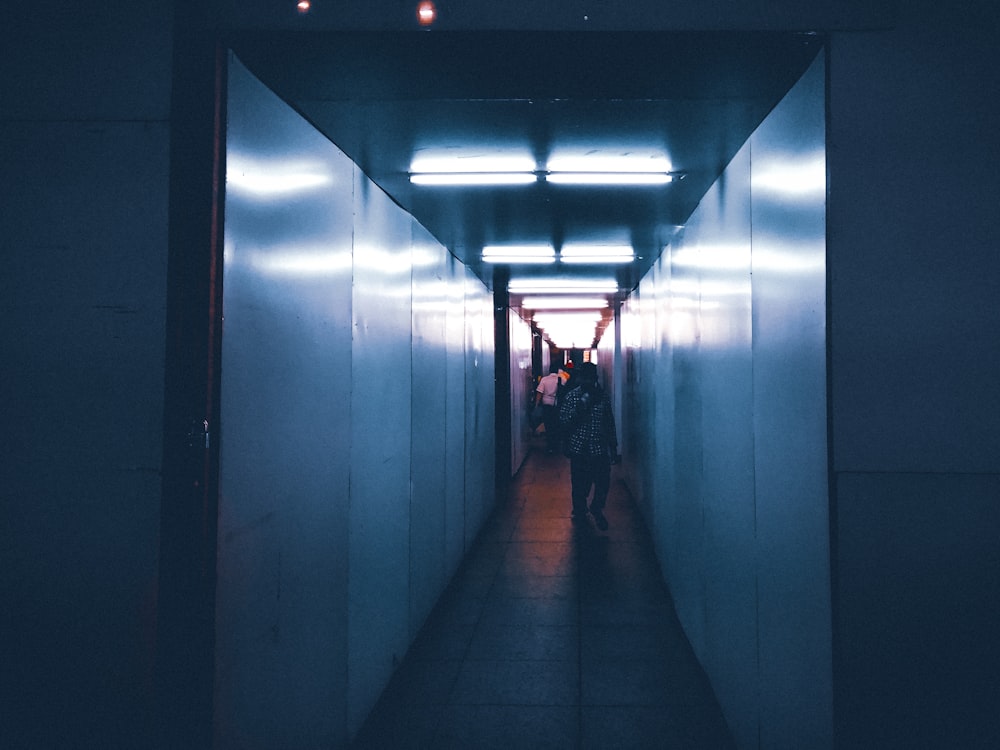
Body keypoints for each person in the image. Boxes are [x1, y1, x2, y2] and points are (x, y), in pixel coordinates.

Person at [558, 362, 620, 530]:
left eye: (589, 378)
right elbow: (564, 422)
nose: (585, 381)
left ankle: (596, 507)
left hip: (599, 448)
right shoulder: (572, 397)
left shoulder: (602, 397)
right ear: (579, 378)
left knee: (603, 482)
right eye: (583, 378)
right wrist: (580, 410)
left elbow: (608, 422)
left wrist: (613, 446)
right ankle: (580, 511)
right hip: (579, 448)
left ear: (594, 378)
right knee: (580, 484)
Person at [534, 365, 562, 453]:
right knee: (556, 425)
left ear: (549, 370)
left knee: (548, 425)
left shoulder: (544, 379)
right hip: (557, 406)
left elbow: (539, 393)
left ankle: (550, 445)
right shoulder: (561, 379)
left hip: (546, 405)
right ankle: (555, 444)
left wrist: (536, 404)